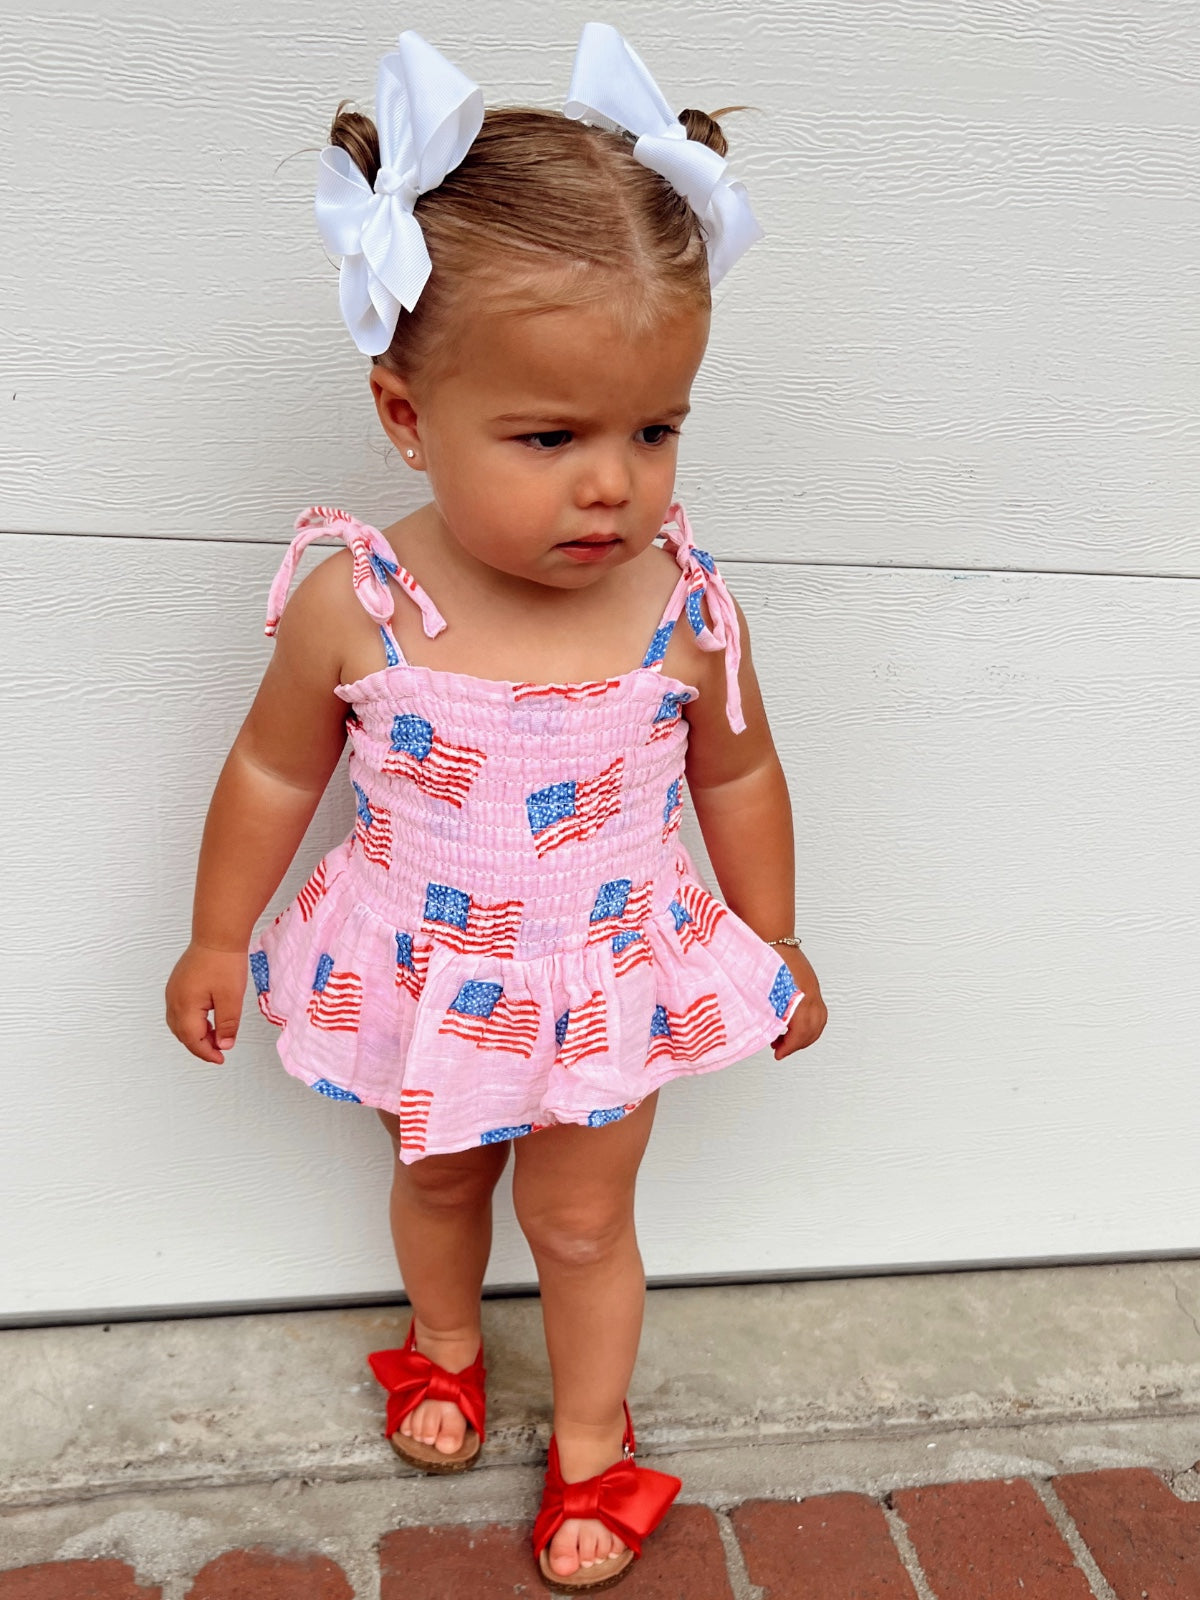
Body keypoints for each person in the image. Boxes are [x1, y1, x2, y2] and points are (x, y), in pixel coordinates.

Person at [165, 22, 827, 1592]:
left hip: (609, 971)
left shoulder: (681, 605)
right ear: (406, 414)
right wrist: (214, 933)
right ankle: (446, 1344)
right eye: (549, 438)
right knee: (439, 1175)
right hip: (428, 968)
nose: (613, 485)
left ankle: (594, 1436)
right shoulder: (362, 600)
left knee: (587, 1223)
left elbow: (735, 768)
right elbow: (275, 768)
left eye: (654, 431)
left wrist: (773, 936)